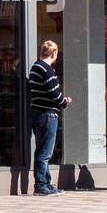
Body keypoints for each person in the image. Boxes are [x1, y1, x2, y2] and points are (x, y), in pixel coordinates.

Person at [28, 40, 71, 196]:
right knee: (45, 152)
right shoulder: (46, 70)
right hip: (47, 114)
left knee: (42, 149)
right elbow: (54, 93)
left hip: (37, 112)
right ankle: (41, 185)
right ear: (53, 53)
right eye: (56, 54)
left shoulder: (35, 68)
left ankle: (45, 182)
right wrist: (63, 101)